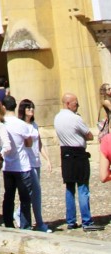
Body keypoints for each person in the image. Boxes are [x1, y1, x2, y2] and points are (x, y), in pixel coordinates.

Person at [53, 91, 101, 230]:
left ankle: (71, 221)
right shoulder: (75, 118)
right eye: (76, 103)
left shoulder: (57, 118)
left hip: (65, 154)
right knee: (83, 187)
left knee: (69, 188)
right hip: (78, 154)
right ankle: (87, 221)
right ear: (68, 104)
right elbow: (89, 135)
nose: (78, 105)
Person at [18, 98, 51, 232]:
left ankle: (19, 213)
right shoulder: (21, 125)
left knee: (31, 193)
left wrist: (47, 159)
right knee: (36, 192)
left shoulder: (34, 125)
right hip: (27, 163)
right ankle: (40, 223)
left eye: (32, 108)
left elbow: (39, 144)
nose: (31, 110)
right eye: (28, 108)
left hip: (36, 162)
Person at [1, 94, 33, 230]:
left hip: (7, 165)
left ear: (3, 107)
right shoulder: (21, 124)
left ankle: (8, 223)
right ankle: (25, 225)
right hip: (22, 165)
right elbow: (29, 143)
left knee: (8, 196)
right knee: (25, 197)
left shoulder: (1, 124)